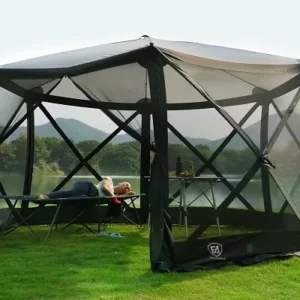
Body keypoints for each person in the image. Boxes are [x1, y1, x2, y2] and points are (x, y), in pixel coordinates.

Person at [38, 177, 135, 200]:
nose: (126, 186)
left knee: (80, 198)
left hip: (89, 196)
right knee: (72, 192)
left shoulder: (115, 196)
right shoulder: (109, 180)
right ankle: (46, 196)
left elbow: (128, 195)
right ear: (120, 182)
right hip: (89, 187)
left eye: (127, 188)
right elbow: (104, 187)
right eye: (126, 184)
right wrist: (113, 196)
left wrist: (129, 193)